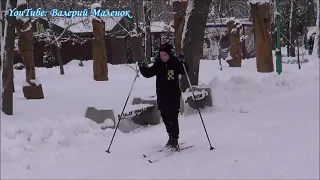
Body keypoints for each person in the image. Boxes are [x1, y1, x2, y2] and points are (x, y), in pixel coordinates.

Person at [139, 43, 189, 151]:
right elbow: (148, 73)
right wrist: (142, 67)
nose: (163, 57)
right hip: (162, 95)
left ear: (169, 54)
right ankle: (170, 136)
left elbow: (184, 71)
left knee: (173, 117)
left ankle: (174, 138)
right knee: (165, 117)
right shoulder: (158, 64)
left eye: (165, 55)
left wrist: (183, 62)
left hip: (173, 95)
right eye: (161, 55)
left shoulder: (175, 63)